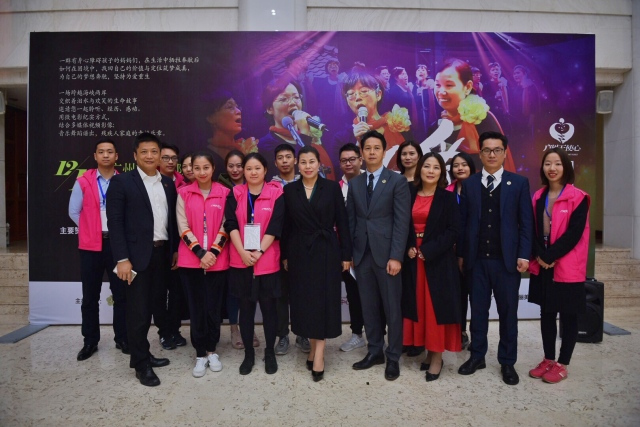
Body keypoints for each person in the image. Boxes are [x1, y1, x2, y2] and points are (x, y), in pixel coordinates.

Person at [456, 131, 533, 386]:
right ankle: (477, 356)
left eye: (497, 150)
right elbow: (463, 224)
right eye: (487, 150)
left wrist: (523, 254)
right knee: (478, 312)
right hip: (476, 261)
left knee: (508, 313)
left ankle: (507, 362)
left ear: (504, 152)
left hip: (506, 262)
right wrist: (461, 255)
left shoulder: (519, 183)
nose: (492, 154)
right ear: (480, 154)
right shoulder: (469, 184)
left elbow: (526, 223)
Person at [106, 132, 178, 387]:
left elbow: (171, 222)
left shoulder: (167, 183)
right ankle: (141, 365)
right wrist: (122, 259)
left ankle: (144, 354)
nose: (150, 156)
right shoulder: (122, 182)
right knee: (138, 313)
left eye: (154, 152)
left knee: (155, 307)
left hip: (161, 255)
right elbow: (115, 223)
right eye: (144, 152)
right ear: (135, 155)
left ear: (160, 155)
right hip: (135, 258)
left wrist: (174, 251)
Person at [283, 146, 352, 381]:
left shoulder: (331, 188)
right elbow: (286, 227)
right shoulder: (290, 190)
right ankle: (313, 349)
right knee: (306, 303)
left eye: (311, 161)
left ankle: (319, 354)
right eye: (303, 162)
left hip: (326, 250)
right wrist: (285, 256)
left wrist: (346, 255)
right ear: (297, 164)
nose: (308, 166)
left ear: (318, 163)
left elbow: (342, 222)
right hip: (300, 252)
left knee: (323, 301)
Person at [347, 130, 410, 381]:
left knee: (392, 308)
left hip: (387, 256)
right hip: (362, 255)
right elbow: (351, 221)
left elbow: (402, 222)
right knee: (369, 306)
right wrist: (352, 253)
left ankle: (393, 356)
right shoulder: (355, 183)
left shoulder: (397, 181)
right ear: (361, 153)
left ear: (384, 152)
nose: (372, 152)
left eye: (376, 148)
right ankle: (374, 351)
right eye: (367, 148)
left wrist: (396, 256)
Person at [527, 148, 590, 384]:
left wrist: (551, 255)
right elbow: (532, 229)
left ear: (566, 167)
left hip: (567, 265)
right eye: (547, 163)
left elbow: (574, 233)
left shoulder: (578, 197)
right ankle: (548, 359)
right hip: (543, 263)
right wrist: (540, 255)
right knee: (546, 312)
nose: (552, 168)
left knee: (569, 314)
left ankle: (563, 363)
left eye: (557, 163)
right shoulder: (538, 196)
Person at [224, 153, 284, 375]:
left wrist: (259, 252)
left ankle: (269, 352)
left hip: (267, 262)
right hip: (241, 261)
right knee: (246, 310)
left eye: (257, 168)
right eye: (248, 168)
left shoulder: (276, 193)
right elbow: (231, 225)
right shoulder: (235, 193)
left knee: (269, 310)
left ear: (265, 170)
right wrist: (242, 252)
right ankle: (249, 354)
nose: (253, 172)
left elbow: (276, 226)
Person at [403, 152, 462, 381]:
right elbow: (400, 223)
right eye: (427, 166)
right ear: (420, 169)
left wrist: (428, 250)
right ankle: (427, 351)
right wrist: (408, 246)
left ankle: (437, 357)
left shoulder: (447, 198)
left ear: (442, 172)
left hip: (437, 261)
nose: (430, 171)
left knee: (434, 309)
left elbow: (454, 231)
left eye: (436, 167)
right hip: (412, 260)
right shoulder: (408, 193)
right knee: (418, 308)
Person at [69, 138, 128, 361]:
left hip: (118, 245)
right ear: (95, 156)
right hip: (91, 246)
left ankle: (122, 338)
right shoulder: (83, 181)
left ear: (116, 156)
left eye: (109, 152)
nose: (105, 155)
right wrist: (90, 230)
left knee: (122, 294)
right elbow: (74, 211)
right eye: (101, 152)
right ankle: (90, 341)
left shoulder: (124, 181)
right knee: (90, 297)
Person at [176, 152, 230, 377]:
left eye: (205, 167)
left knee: (213, 308)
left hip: (218, 260)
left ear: (213, 168)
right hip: (191, 261)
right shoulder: (184, 193)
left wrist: (213, 253)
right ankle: (200, 353)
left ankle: (212, 350)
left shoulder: (225, 193)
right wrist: (200, 253)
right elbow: (182, 226)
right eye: (196, 168)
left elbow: (227, 225)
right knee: (196, 308)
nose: (201, 172)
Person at [429, 59, 516, 172]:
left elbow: (496, 162)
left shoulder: (482, 118)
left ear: (468, 87)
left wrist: (455, 154)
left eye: (449, 85)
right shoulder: (435, 126)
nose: (441, 91)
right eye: (437, 85)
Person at [217, 149, 260, 350]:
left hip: (252, 247)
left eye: (239, 165)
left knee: (250, 289)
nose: (235, 170)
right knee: (233, 290)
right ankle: (234, 328)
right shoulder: (220, 188)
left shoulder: (255, 185)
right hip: (226, 246)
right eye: (231, 166)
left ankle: (248, 327)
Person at [270, 143, 310, 356]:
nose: (285, 161)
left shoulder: (307, 182)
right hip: (275, 247)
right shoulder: (269, 186)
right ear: (275, 162)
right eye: (280, 157)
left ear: (295, 160)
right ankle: (282, 335)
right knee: (281, 294)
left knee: (301, 293)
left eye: (288, 157)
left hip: (303, 247)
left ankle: (303, 333)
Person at [258, 79, 335, 180]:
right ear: (269, 109)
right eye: (284, 99)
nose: (293, 103)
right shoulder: (266, 144)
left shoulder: (314, 134)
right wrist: (304, 134)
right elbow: (292, 176)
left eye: (296, 97)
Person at [336, 70, 412, 171]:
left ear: (378, 94)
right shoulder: (342, 139)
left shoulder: (398, 124)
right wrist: (357, 145)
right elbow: (344, 174)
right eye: (351, 94)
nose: (357, 98)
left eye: (363, 91)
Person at [158, 142, 188, 349]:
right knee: (159, 292)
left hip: (180, 244)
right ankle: (163, 332)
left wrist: (178, 248)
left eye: (173, 158)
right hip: (158, 244)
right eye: (165, 157)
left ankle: (175, 330)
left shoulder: (183, 183)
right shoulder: (152, 181)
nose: (170, 161)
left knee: (177, 291)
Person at [337, 143, 366, 352]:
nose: (348, 163)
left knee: (377, 295)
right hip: (346, 252)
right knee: (353, 294)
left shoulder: (371, 182)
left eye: (352, 159)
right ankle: (357, 334)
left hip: (372, 249)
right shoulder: (336, 188)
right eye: (344, 160)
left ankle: (379, 335)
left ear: (360, 160)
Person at [446, 151, 477, 349]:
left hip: (474, 251)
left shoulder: (479, 189)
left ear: (471, 167)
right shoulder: (447, 191)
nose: (460, 168)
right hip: (451, 252)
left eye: (464, 164)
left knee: (475, 294)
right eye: (456, 165)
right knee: (458, 294)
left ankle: (477, 335)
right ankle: (460, 331)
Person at [205, 90, 258, 179]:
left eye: (237, 107)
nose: (238, 111)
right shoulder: (206, 157)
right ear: (211, 118)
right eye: (230, 107)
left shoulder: (245, 147)